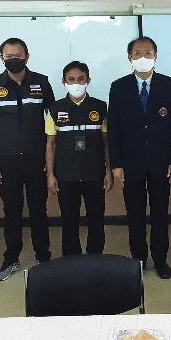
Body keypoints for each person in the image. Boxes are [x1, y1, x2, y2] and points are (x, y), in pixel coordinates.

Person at [108, 36, 171, 279]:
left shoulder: (169, 85)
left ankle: (160, 260)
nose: (143, 57)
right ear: (130, 57)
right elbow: (114, 129)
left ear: (155, 56)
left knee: (160, 214)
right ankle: (138, 259)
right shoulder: (118, 87)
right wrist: (116, 164)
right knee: (135, 214)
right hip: (130, 164)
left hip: (162, 162)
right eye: (137, 53)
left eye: (148, 53)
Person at [0, 38, 55, 281]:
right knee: (11, 211)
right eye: (9, 56)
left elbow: (52, 122)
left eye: (18, 55)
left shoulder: (41, 82)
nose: (14, 59)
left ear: (27, 56)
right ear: (2, 58)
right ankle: (11, 258)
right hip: (7, 160)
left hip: (36, 159)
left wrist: (50, 159)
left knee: (38, 210)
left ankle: (43, 257)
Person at [45, 61, 112, 256]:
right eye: (71, 79)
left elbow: (106, 143)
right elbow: (50, 145)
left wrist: (108, 171)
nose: (76, 83)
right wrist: (50, 175)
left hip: (95, 174)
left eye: (80, 79)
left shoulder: (100, 107)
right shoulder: (54, 108)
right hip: (66, 176)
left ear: (88, 80)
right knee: (69, 221)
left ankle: (95, 258)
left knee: (96, 220)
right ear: (64, 82)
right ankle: (71, 261)